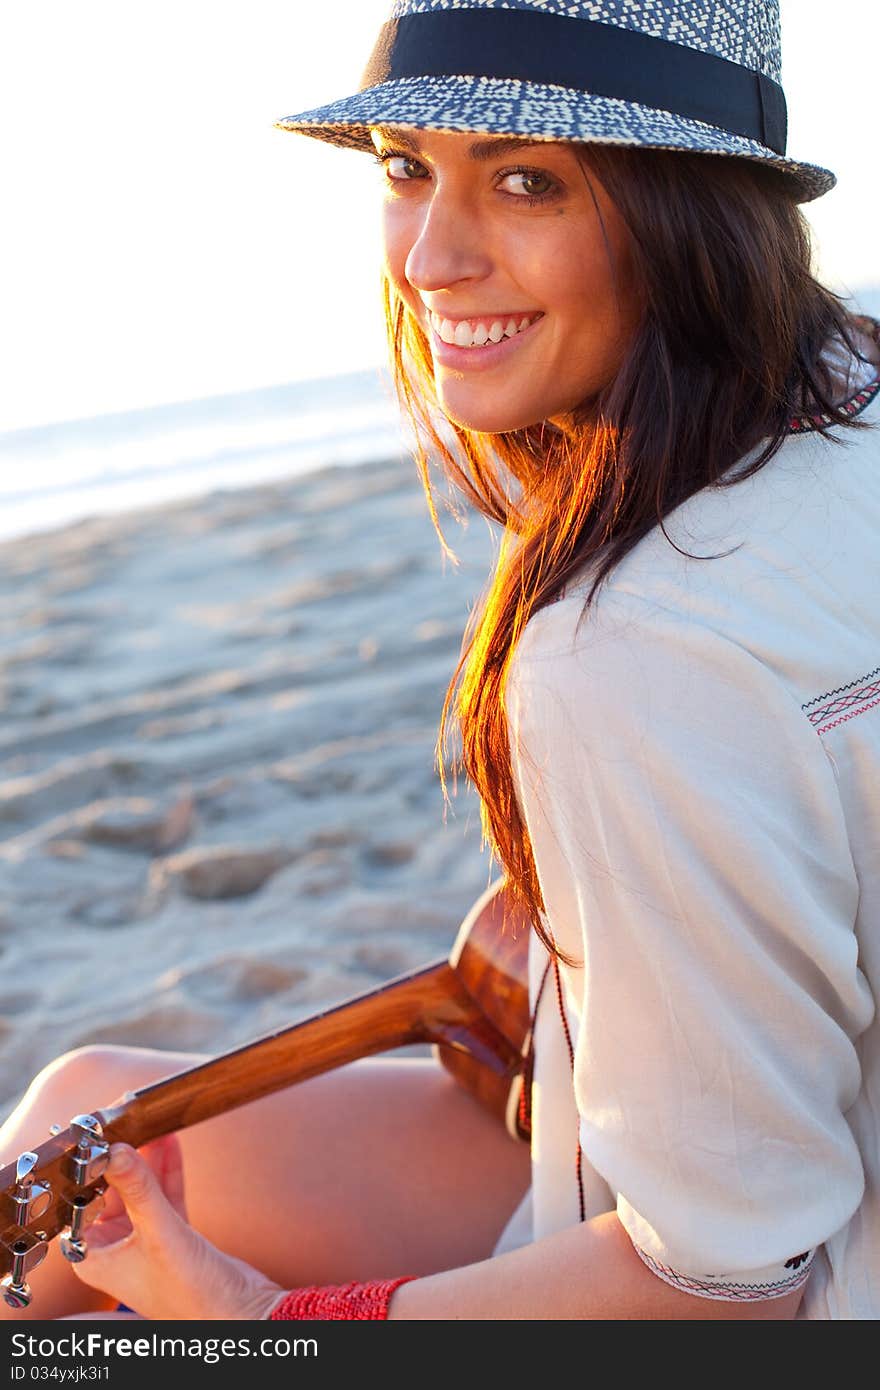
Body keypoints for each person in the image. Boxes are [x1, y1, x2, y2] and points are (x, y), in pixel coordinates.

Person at [2, 0, 879, 1321]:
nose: (430, 255)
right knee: (76, 1133)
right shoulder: (840, 402)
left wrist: (255, 1320)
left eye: (528, 180)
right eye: (409, 167)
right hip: (763, 1130)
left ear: (687, 211)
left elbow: (728, 1289)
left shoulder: (632, 649)